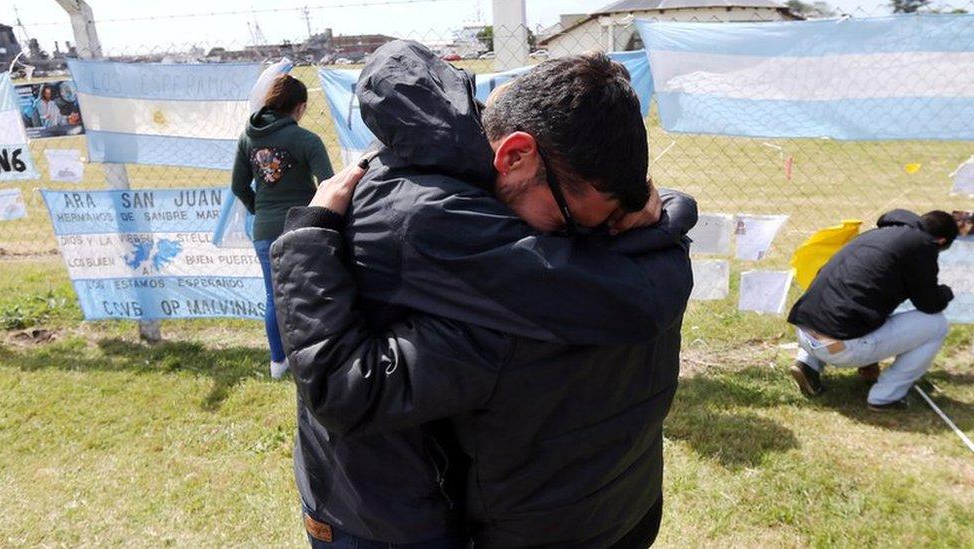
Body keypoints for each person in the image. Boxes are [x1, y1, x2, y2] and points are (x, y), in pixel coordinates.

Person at [272, 41, 696, 547]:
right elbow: (344, 388)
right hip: (371, 511)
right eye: (567, 219)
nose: (577, 242)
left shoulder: (493, 183)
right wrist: (307, 237)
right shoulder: (427, 220)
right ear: (514, 154)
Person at [788, 209, 958, 411]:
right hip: (839, 347)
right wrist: (946, 292)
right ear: (940, 241)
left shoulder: (876, 235)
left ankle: (808, 363)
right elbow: (929, 304)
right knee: (936, 324)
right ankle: (886, 397)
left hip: (804, 331)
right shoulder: (921, 245)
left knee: (850, 305)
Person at [230, 74, 333, 379]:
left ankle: (278, 362)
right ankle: (314, 354)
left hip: (263, 230)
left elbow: (238, 186)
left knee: (273, 297)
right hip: (300, 229)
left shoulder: (248, 138)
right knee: (311, 293)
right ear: (299, 108)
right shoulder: (307, 141)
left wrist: (260, 209)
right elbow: (328, 184)